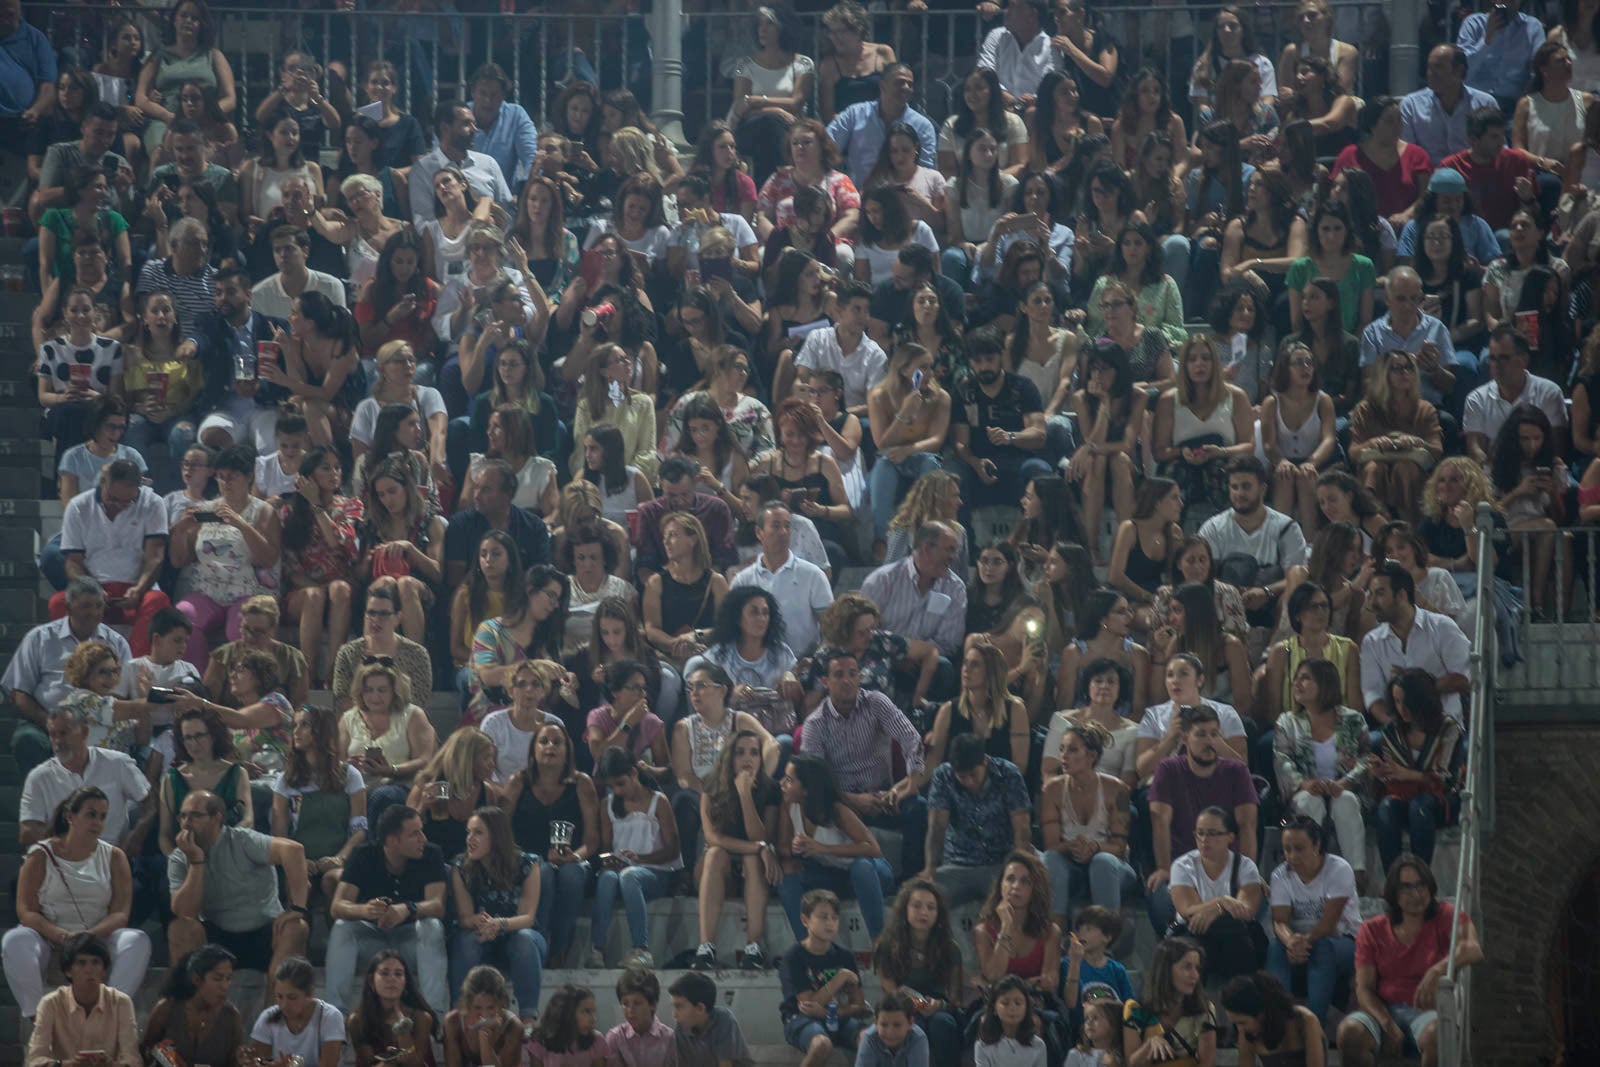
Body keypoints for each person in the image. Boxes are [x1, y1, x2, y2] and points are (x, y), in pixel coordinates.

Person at [5, 787, 150, 1021]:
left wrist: (88, 936)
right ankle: (36, 1015)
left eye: (103, 816)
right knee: (14, 940)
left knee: (136, 940)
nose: (98, 822)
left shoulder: (114, 856)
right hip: (49, 938)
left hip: (98, 937)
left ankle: (110, 1012)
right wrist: (61, 936)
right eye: (91, 814)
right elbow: (26, 911)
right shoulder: (40, 854)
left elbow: (120, 913)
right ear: (70, 816)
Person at [1338, 855, 1483, 1067]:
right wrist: (1386, 1024)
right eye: (1406, 887)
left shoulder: (1446, 915)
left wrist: (1436, 970)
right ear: (1394, 894)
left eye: (1421, 885)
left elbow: (1473, 947)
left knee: (1437, 1035)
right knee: (1349, 1033)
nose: (1416, 894)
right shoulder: (1372, 929)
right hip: (1383, 1010)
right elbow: (1364, 989)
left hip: (1427, 1013)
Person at [167, 789, 310, 979]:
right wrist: (196, 861)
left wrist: (297, 907)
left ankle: (276, 1008)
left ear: (217, 817)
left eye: (195, 816)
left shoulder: (242, 839)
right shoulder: (179, 857)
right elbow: (185, 912)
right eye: (183, 816)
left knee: (296, 927)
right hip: (217, 934)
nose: (186, 823)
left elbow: (293, 851)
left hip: (264, 930)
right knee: (180, 929)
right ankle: (192, 1007)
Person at [327, 804, 449, 1016]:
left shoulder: (431, 854)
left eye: (422, 830)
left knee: (432, 926)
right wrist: (365, 910)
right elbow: (338, 906)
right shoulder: (362, 855)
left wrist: (408, 909)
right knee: (342, 927)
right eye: (415, 834)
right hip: (373, 941)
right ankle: (336, 1015)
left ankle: (434, 1015)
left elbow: (437, 905)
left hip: (410, 942)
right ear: (393, 840)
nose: (423, 838)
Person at [3, 576, 133, 773]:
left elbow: (124, 692)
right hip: (45, 723)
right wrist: (54, 724)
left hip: (101, 724)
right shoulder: (39, 638)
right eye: (86, 606)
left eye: (99, 606)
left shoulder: (117, 643)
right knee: (27, 740)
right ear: (69, 607)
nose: (94, 612)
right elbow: (19, 693)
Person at [1146, 704, 1259, 931]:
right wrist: (1164, 866)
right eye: (1201, 735)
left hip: (1229, 865)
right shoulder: (1168, 769)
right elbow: (1161, 823)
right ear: (1185, 739)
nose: (1210, 742)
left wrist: (1249, 871)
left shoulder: (1236, 771)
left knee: (1254, 904)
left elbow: (1247, 826)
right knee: (1160, 898)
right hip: (1182, 866)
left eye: (1215, 734)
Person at [48, 458, 171, 657]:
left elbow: (155, 557)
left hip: (136, 588)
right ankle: (77, 664)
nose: (120, 506)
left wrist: (139, 589)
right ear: (103, 482)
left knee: (157, 601)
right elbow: (73, 562)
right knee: (59, 603)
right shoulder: (79, 506)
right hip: (95, 586)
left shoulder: (153, 503)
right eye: (114, 499)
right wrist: (92, 588)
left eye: (127, 502)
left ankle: (133, 664)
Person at [502, 721, 597, 970]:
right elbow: (501, 831)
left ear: (568, 749)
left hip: (571, 859)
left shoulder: (582, 783)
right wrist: (521, 857)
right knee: (541, 872)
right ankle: (537, 945)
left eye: (557, 742)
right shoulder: (517, 782)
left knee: (572, 875)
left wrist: (574, 856)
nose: (550, 747)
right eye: (544, 741)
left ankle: (558, 952)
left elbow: (592, 840)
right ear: (533, 749)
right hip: (525, 859)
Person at [1274, 657, 1372, 887]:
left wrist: (1345, 783)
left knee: (1346, 800)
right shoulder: (1287, 722)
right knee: (1310, 801)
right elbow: (1282, 759)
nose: (1297, 683)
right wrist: (1304, 783)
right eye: (1296, 679)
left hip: (1344, 790)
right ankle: (1309, 871)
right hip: (1305, 791)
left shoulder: (1353, 719)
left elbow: (1367, 758)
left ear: (1325, 683)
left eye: (1305, 678)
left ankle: (1356, 876)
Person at [691, 725, 782, 971]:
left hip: (753, 874)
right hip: (717, 869)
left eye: (754, 752)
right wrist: (759, 846)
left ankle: (754, 946)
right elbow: (713, 837)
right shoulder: (710, 784)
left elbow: (764, 836)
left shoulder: (771, 789)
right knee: (716, 853)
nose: (747, 759)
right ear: (729, 757)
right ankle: (706, 947)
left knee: (753, 859)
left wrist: (745, 796)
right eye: (740, 752)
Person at [777, 752, 895, 941]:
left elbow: (873, 849)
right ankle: (807, 944)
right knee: (786, 871)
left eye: (789, 780)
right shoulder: (788, 805)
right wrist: (795, 847)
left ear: (806, 789)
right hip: (830, 875)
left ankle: (879, 942)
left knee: (861, 867)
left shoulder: (837, 810)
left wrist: (821, 848)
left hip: (869, 874)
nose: (782, 783)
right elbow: (784, 849)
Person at [590, 745, 684, 969]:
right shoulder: (608, 806)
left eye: (620, 784)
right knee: (607, 878)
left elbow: (673, 851)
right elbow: (605, 847)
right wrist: (609, 860)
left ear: (634, 773)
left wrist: (641, 859)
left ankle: (641, 949)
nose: (617, 791)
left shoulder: (658, 802)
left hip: (656, 873)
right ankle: (597, 950)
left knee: (630, 876)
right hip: (623, 871)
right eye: (612, 786)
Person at [449, 806, 544, 1024]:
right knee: (466, 940)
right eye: (468, 832)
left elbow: (527, 917)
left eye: (478, 833)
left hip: (518, 937)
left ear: (497, 836)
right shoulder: (460, 866)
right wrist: (479, 922)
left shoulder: (527, 864)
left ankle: (528, 1020)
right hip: (481, 937)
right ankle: (459, 1016)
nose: (470, 839)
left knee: (525, 939)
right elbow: (464, 917)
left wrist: (498, 924)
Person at [1268, 814, 1362, 1026]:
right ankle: (1280, 1021)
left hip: (1343, 941)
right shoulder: (1279, 875)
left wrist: (1303, 942)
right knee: (1275, 948)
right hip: (1302, 943)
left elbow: (1329, 923)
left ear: (1317, 845)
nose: (1292, 856)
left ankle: (1313, 1024)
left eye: (1299, 848)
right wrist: (1290, 941)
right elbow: (1279, 921)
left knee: (1322, 948)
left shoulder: (1339, 869)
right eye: (1287, 849)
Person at [1369, 669, 1466, 873]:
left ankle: (1422, 876)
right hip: (1406, 797)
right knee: (1386, 807)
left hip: (1441, 801)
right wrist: (1381, 774)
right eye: (1396, 701)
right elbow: (1394, 783)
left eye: (1406, 702)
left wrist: (1409, 774)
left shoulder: (1448, 728)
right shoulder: (1392, 732)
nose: (1401, 709)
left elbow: (1448, 779)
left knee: (1420, 806)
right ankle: (1393, 879)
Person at [921, 732, 1032, 910]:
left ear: (985, 761)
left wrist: (1016, 870)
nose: (970, 782)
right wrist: (930, 868)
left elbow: (1022, 827)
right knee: (923, 897)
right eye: (963, 777)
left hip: (1001, 863)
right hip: (958, 863)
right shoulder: (943, 776)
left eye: (974, 775)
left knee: (1019, 895)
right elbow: (937, 827)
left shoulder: (1008, 773)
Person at [1197, 456, 1310, 626]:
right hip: (1225, 607)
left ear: (1263, 489)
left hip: (1272, 607)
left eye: (1246, 486)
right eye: (1234, 487)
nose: (1239, 493)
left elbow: (1297, 578)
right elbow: (1203, 576)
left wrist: (1266, 592)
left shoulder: (1287, 527)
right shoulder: (1212, 528)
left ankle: (1278, 646)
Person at [1041, 721, 1136, 923]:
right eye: (1061, 749)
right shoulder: (1052, 790)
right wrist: (1073, 846)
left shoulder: (1116, 790)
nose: (1064, 756)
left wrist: (1094, 847)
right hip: (1071, 866)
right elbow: (1051, 845)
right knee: (1049, 859)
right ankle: (1054, 934)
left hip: (1113, 868)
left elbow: (1119, 848)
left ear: (1092, 756)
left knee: (1102, 862)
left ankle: (1106, 937)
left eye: (1073, 750)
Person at [272, 705, 368, 899]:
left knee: (332, 880)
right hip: (298, 862)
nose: (296, 732)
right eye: (295, 725)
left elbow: (359, 831)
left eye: (304, 725)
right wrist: (299, 861)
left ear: (322, 731)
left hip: (338, 860)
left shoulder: (350, 775)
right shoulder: (285, 780)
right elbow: (279, 835)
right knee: (299, 885)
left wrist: (339, 859)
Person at [1362, 562, 1472, 726]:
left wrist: (1417, 686)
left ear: (1401, 595)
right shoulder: (1371, 641)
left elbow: (1465, 678)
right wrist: (1394, 726)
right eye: (1370, 594)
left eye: (1380, 593)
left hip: (1444, 729)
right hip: (1398, 731)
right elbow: (1372, 694)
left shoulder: (1442, 627)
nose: (1372, 602)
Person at [871, 879, 964, 1067]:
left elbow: (956, 997)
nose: (924, 912)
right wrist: (910, 1001)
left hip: (938, 1007)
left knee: (942, 1024)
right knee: (912, 1027)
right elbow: (889, 989)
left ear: (938, 914)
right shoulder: (887, 945)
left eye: (931, 907)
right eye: (917, 906)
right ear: (905, 909)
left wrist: (939, 1004)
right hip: (901, 1006)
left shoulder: (950, 948)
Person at [728, 502, 833, 658]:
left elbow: (830, 629)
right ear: (759, 532)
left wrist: (815, 661)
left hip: (804, 663)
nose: (783, 532)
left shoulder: (813, 575)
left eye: (787, 526)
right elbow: (732, 628)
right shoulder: (743, 580)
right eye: (776, 526)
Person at [781, 888, 871, 1067]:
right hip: (800, 1019)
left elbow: (859, 1006)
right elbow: (810, 1006)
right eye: (823, 917)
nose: (830, 923)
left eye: (834, 918)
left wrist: (833, 1013)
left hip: (839, 1018)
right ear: (805, 920)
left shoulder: (844, 956)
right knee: (821, 1044)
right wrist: (841, 977)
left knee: (870, 1040)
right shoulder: (793, 957)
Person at [23, 933, 139, 1067]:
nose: (89, 970)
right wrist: (68, 1065)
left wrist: (111, 1065)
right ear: (68, 971)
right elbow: (33, 1061)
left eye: (96, 962)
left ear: (104, 970)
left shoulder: (120, 1002)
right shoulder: (51, 1003)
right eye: (81, 963)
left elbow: (133, 1060)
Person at [1463, 325, 1567, 465]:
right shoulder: (1476, 399)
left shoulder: (1549, 393)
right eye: (1492, 359)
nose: (1497, 365)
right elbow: (1475, 450)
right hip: (1495, 475)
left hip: (1540, 471)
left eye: (1504, 358)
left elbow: (1557, 449)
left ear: (1524, 360)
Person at [974, 851, 1064, 1007]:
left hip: (1037, 1003)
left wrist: (1010, 988)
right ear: (1000, 885)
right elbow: (994, 975)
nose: (1015, 886)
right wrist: (1006, 927)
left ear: (1035, 888)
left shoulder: (1050, 931)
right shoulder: (983, 931)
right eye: (1010, 879)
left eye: (1025, 881)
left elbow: (1049, 982)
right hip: (997, 1005)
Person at [445, 458, 552, 586]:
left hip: (521, 600)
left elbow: (539, 578)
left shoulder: (534, 527)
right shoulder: (460, 525)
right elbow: (455, 581)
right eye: (476, 488)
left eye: (485, 490)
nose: (476, 496)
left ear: (508, 494)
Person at [827, 63, 936, 188]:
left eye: (910, 85)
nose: (906, 88)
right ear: (883, 86)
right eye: (900, 82)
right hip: (859, 197)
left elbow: (925, 171)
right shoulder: (854, 114)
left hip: (907, 200)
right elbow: (826, 147)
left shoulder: (923, 126)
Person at [409, 99, 513, 229]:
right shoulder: (423, 170)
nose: (475, 130)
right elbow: (423, 223)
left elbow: (506, 212)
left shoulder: (488, 164)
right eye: (466, 124)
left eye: (474, 124)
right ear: (445, 128)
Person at [139, 944, 247, 1067]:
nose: (225, 986)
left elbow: (236, 1063)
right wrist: (167, 1058)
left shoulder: (231, 1016)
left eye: (228, 979)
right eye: (217, 979)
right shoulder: (167, 1008)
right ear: (196, 979)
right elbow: (145, 1051)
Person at [1121, 936, 1216, 1065]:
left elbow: (1207, 1064)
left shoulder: (1204, 1009)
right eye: (1187, 967)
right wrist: (1148, 1046)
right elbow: (1131, 1064)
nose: (1195, 975)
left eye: (1197, 968)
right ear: (1165, 970)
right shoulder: (1136, 1010)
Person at [1402, 45, 1499, 166]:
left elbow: (1497, 148)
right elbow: (1407, 154)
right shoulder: (1411, 105)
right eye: (1429, 67)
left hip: (1475, 176)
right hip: (1428, 178)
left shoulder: (1485, 103)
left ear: (1458, 70)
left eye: (1438, 67)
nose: (1430, 73)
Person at [245, 956, 344, 1067]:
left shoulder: (330, 1017)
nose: (284, 1005)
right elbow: (258, 1061)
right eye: (279, 996)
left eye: (292, 997)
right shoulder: (268, 1017)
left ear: (309, 993)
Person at [346, 952, 436, 1067]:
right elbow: (367, 1063)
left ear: (405, 982)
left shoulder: (422, 1017)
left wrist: (403, 1028)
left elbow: (415, 1064)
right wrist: (392, 1061)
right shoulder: (357, 1020)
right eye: (384, 973)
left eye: (398, 974)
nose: (392, 979)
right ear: (371, 981)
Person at [1220, 971, 1326, 1066]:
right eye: (1236, 1024)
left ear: (1262, 1013)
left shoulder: (1305, 1020)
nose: (1239, 1029)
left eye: (1242, 1022)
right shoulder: (1246, 1033)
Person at [444, 964, 523, 1067]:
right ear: (468, 1004)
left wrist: (484, 1040)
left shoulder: (513, 1026)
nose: (484, 1015)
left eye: (491, 1008)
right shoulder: (453, 1022)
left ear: (501, 1004)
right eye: (477, 1008)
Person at [671, 970, 755, 1067]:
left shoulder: (724, 1020)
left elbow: (725, 1065)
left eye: (679, 1007)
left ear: (700, 1008)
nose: (674, 1014)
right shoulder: (681, 1028)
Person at [607, 968, 676, 1067]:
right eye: (625, 1004)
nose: (630, 1010)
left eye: (637, 1003)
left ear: (653, 1004)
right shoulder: (615, 1038)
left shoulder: (669, 1039)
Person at [973, 974, 1046, 1067]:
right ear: (994, 1008)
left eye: (1018, 1003)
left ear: (1026, 1007)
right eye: (1005, 1003)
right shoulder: (983, 1046)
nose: (1012, 1008)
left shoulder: (1038, 1045)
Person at [855, 993, 930, 1067]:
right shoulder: (869, 1038)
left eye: (897, 1025)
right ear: (876, 1023)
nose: (890, 1032)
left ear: (910, 1023)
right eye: (884, 1025)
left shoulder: (918, 1038)